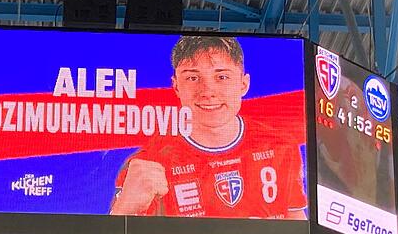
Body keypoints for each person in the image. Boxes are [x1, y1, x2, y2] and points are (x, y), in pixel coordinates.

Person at [110, 35, 307, 219]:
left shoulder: (281, 147)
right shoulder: (147, 164)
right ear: (176, 86)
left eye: (222, 77)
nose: (207, 92)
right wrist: (124, 208)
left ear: (243, 84)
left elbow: (297, 225)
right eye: (193, 78)